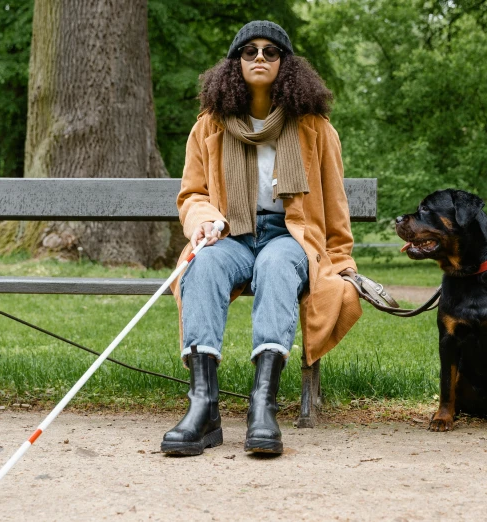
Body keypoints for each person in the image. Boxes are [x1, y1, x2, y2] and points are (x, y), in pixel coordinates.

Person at [162, 21, 362, 457]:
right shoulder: (209, 126)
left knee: (276, 266)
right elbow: (193, 194)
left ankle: (262, 406)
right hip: (229, 231)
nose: (259, 58)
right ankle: (203, 407)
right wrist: (205, 219)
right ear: (234, 63)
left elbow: (334, 200)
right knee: (203, 265)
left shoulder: (314, 128)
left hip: (287, 233)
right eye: (249, 51)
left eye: (271, 52)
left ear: (286, 65)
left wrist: (342, 259)